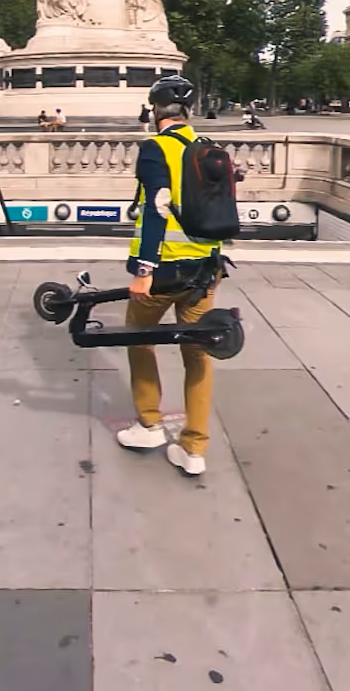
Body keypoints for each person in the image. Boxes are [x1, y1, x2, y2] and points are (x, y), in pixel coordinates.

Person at [115, 74, 224, 478]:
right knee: (197, 354)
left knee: (138, 339)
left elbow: (159, 207)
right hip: (206, 270)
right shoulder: (208, 148)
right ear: (189, 111)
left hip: (165, 272)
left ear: (153, 111)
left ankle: (150, 425)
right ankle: (194, 449)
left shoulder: (155, 149)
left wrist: (144, 270)